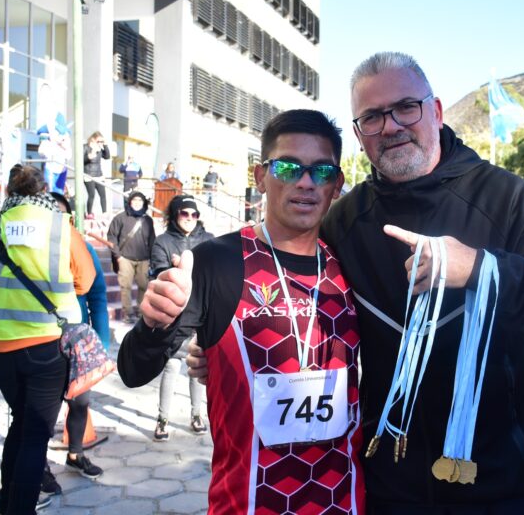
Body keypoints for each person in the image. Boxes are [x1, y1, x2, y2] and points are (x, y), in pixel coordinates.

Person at [188, 52, 524, 514]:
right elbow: (295, 293)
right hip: (390, 489)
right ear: (360, 134)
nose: (391, 126)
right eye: (372, 117)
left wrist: (482, 270)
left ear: (436, 111)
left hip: (500, 486)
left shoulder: (505, 198)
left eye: (406, 107)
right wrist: (221, 351)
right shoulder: (344, 220)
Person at [119, 109, 365, 514]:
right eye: (288, 167)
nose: (305, 182)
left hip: (344, 502)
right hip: (249, 501)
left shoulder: (351, 263)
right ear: (260, 176)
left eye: (321, 171)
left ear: (337, 184)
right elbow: (133, 371)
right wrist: (153, 324)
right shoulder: (218, 260)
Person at [0, 164, 94, 514]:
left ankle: (7, 504)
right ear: (43, 191)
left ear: (10, 193)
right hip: (46, 345)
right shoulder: (60, 225)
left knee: (22, 422)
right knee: (34, 435)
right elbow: (85, 280)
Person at [39, 192, 104, 498]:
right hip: (43, 338)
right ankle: (39, 467)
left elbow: (98, 295)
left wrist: (102, 339)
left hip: (77, 340)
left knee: (80, 401)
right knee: (44, 410)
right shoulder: (33, 251)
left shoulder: (83, 248)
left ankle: (75, 454)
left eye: (63, 216)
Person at [148, 195, 213, 440]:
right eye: (184, 213)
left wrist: (185, 267)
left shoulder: (208, 240)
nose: (189, 219)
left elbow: (216, 274)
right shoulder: (163, 241)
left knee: (197, 363)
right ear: (175, 215)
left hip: (204, 314)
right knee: (172, 365)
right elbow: (159, 274)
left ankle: (197, 414)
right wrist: (178, 269)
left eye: (194, 214)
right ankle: (162, 418)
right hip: (175, 315)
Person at [107, 191, 154, 323]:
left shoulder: (148, 220)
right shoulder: (120, 218)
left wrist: (152, 258)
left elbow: (152, 240)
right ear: (129, 202)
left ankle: (141, 311)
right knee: (125, 287)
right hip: (125, 258)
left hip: (144, 258)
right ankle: (128, 313)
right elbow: (111, 238)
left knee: (144, 286)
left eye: (140, 201)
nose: (137, 203)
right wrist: (118, 255)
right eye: (135, 200)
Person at [83, 131, 110, 218]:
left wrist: (105, 145)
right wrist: (89, 157)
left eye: (102, 141)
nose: (100, 143)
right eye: (99, 141)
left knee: (103, 195)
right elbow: (81, 160)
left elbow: (107, 156)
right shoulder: (86, 147)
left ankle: (104, 213)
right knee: (91, 195)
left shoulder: (100, 149)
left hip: (99, 175)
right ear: (93, 139)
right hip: (88, 175)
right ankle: (89, 213)